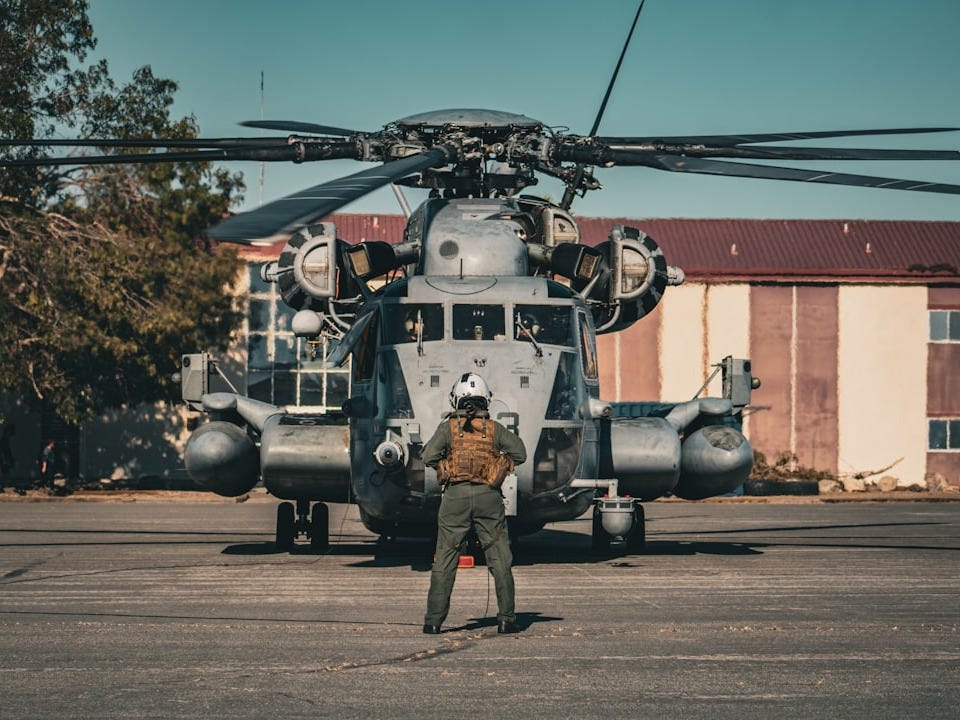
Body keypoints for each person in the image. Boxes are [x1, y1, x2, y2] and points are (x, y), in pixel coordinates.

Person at [421, 373, 526, 635]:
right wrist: (500, 463)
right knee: (499, 558)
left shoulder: (448, 428)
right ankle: (506, 618)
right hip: (488, 497)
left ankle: (433, 621)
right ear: (486, 400)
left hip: (454, 497)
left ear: (456, 398)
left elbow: (428, 456)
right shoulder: (495, 429)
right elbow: (520, 453)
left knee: (445, 558)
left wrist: (444, 465)